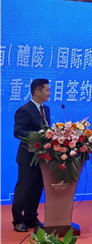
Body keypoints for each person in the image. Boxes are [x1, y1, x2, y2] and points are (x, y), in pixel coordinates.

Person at [11, 79, 51, 233]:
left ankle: (31, 217)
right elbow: (18, 132)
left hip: (42, 157)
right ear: (37, 92)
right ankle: (18, 220)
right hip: (28, 156)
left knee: (36, 188)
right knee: (24, 188)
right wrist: (37, 134)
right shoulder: (24, 110)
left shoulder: (46, 109)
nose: (49, 93)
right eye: (47, 90)